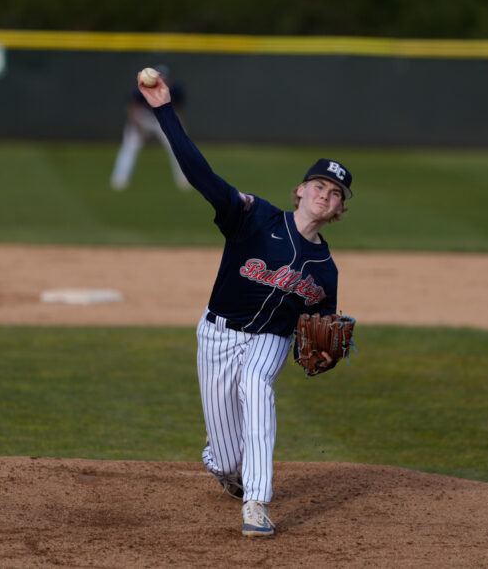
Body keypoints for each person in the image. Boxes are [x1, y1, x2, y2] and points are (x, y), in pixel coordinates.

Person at [133, 69, 353, 538]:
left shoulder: (326, 272)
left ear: (338, 212)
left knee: (257, 386)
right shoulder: (252, 217)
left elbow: (315, 335)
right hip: (216, 333)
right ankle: (228, 470)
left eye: (335, 195)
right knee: (226, 455)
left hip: (269, 342)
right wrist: (163, 110)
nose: (325, 195)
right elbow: (200, 174)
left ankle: (257, 503)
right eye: (319, 186)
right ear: (300, 190)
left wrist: (318, 351)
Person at [110, 64, 190, 191]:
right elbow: (132, 107)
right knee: (130, 144)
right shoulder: (143, 88)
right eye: (161, 79)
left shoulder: (175, 89)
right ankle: (120, 178)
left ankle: (185, 179)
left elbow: (177, 110)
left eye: (166, 79)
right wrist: (137, 125)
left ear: (170, 80)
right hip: (143, 117)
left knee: (179, 145)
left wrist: (178, 130)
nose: (163, 82)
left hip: (163, 118)